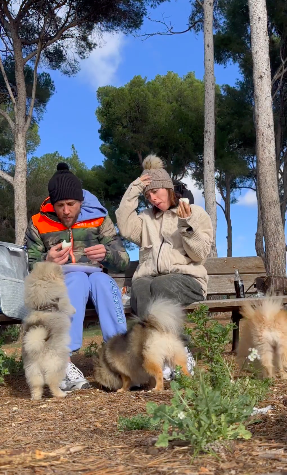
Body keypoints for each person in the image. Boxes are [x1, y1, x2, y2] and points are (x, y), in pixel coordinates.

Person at [25, 163, 129, 391]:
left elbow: (123, 258)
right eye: (60, 205)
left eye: (71, 204)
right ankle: (63, 363)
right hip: (62, 289)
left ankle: (120, 358)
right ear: (52, 204)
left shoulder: (99, 218)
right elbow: (29, 264)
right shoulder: (38, 223)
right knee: (77, 279)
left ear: (81, 201)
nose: (66, 211)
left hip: (98, 287)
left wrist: (107, 254)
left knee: (102, 281)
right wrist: (47, 260)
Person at [115, 155, 213, 378]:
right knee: (140, 288)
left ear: (168, 188)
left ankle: (180, 351)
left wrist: (186, 226)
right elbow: (123, 223)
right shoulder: (145, 219)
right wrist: (135, 188)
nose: (152, 198)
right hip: (149, 279)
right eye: (148, 194)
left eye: (156, 192)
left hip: (188, 279)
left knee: (160, 286)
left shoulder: (196, 213)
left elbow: (199, 255)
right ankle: (155, 357)